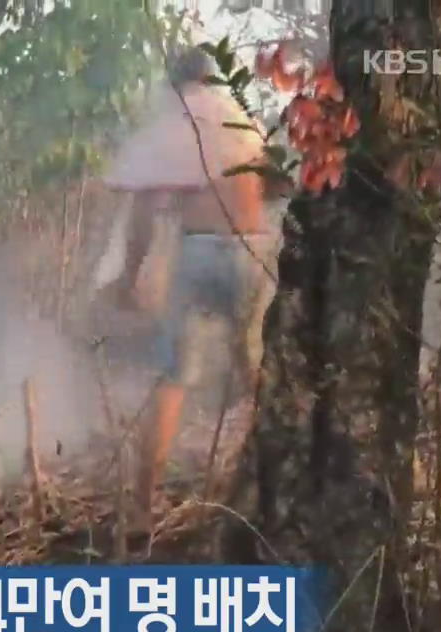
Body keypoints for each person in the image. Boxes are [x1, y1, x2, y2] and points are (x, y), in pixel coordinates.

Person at [104, 47, 289, 538]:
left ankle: (143, 510)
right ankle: (275, 493)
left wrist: (126, 279)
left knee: (173, 378)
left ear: (175, 85)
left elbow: (142, 216)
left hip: (199, 252)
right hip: (250, 251)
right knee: (255, 372)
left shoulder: (174, 127)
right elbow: (274, 186)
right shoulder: (240, 121)